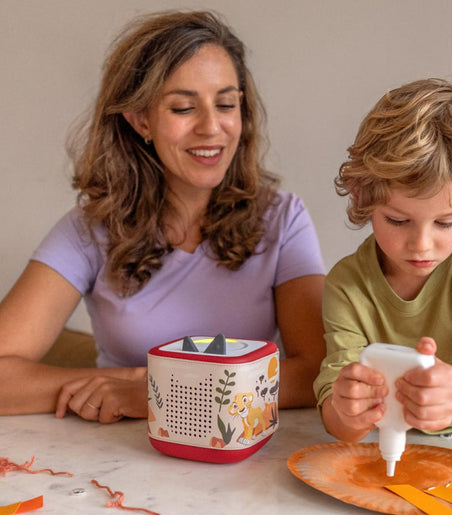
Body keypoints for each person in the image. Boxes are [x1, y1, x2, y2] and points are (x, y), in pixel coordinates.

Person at [0, 10, 326, 423]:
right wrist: (130, 381)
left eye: (226, 103)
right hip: (118, 458)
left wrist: (158, 392)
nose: (212, 127)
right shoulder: (87, 231)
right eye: (183, 108)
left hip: (240, 457)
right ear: (140, 120)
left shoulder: (283, 220)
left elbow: (317, 371)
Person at [314, 78, 452, 441]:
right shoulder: (347, 284)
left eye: (446, 223)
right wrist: (347, 409)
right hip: (402, 446)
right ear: (362, 196)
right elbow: (335, 409)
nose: (421, 245)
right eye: (398, 221)